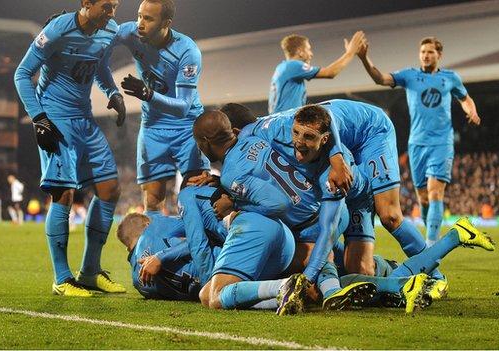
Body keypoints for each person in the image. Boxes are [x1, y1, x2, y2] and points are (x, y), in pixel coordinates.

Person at [220, 100, 447, 300]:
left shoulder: (279, 128)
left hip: (370, 133)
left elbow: (325, 116)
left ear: (236, 131)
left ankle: (436, 277)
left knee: (390, 215)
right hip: (340, 155)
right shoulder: (262, 137)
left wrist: (337, 157)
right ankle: (390, 268)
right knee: (359, 269)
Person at [192, 110, 375, 314]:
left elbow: (279, 204)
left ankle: (320, 290)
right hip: (324, 204)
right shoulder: (254, 134)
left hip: (310, 223)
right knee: (341, 262)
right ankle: (385, 278)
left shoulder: (232, 174)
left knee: (313, 264)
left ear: (205, 143)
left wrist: (235, 204)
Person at [14, 0, 127, 297]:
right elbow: (22, 74)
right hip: (55, 119)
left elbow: (99, 65)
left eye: (115, 6)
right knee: (63, 193)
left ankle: (89, 271)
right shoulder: (57, 30)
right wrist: (39, 119)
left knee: (110, 188)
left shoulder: (109, 30)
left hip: (84, 119)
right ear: (86, 4)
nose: (112, 13)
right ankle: (62, 278)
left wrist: (112, 92)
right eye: (106, 6)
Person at [357, 35, 480, 250]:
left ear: (438, 55)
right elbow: (381, 79)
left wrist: (471, 110)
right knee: (423, 198)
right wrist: (365, 59)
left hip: (442, 142)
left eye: (430, 52)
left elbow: (465, 98)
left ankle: (431, 245)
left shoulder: (450, 78)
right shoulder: (409, 76)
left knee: (435, 192)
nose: (426, 55)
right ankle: (430, 230)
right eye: (423, 52)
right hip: (417, 144)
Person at [114, 0, 210, 216]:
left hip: (187, 128)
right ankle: (155, 248)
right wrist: (70, 28)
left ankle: (195, 248)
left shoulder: (187, 51)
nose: (140, 23)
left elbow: (183, 107)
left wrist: (148, 94)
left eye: (148, 18)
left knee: (195, 199)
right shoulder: (131, 33)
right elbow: (99, 40)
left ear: (166, 22)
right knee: (153, 201)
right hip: (153, 128)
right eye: (139, 15)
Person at [341, 217, 495, 313]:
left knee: (330, 289)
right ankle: (406, 285)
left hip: (368, 269)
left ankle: (403, 285)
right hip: (379, 267)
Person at [269, 32, 364, 114]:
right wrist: (350, 52)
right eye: (308, 49)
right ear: (300, 52)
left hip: (278, 121)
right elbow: (330, 73)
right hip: (285, 123)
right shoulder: (294, 65)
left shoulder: (282, 67)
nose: (311, 54)